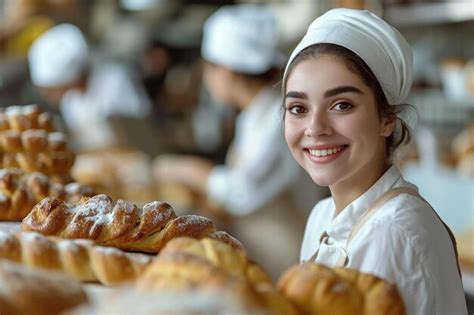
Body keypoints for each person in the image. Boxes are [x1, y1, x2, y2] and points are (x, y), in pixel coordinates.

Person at [282, 8, 467, 314]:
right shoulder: (321, 215)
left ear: (387, 119)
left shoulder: (395, 232)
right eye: (298, 108)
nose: (315, 128)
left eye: (342, 105)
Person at [154, 4, 328, 279]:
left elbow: (241, 190)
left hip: (288, 258)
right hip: (261, 252)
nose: (208, 79)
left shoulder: (277, 117)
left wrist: (188, 170)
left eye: (209, 69)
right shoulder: (254, 114)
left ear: (227, 70)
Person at [28, 23, 151, 151]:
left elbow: (140, 132)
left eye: (51, 89)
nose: (48, 95)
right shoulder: (69, 100)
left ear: (69, 79)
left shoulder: (114, 81)